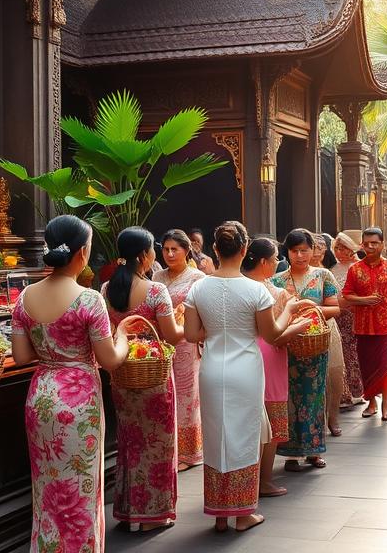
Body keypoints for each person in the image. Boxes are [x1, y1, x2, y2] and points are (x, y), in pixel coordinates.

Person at [11, 215, 133, 553]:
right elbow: (109, 359)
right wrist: (121, 336)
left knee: (47, 487)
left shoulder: (24, 297)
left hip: (41, 395)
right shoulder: (88, 299)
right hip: (79, 399)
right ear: (81, 252)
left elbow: (20, 356)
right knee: (80, 488)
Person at [184, 222, 310, 531]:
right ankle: (243, 513)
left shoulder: (199, 287)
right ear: (244, 250)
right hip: (246, 370)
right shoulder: (255, 290)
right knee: (244, 437)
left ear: (215, 250)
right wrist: (290, 312)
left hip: (212, 367)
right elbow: (272, 333)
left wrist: (216, 332)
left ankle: (220, 514)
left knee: (216, 437)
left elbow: (189, 333)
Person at [103, 227, 182, 532]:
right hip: (153, 372)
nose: (154, 256)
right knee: (158, 443)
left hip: (122, 371)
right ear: (142, 255)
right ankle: (151, 515)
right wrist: (183, 317)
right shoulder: (154, 291)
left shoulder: (107, 289)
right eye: (152, 250)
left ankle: (128, 510)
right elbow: (172, 335)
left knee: (130, 442)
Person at [241, 237, 313, 499]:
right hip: (268, 356)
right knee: (271, 420)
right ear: (263, 262)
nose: (276, 264)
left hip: (240, 356)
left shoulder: (231, 286)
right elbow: (276, 335)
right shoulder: (272, 293)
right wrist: (299, 325)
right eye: (274, 260)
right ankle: (264, 480)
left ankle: (245, 482)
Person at [270, 228, 341, 470]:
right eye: (294, 251)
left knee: (314, 396)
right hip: (287, 344)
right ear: (286, 252)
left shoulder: (323, 276)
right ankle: (290, 453)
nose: (300, 255)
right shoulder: (276, 280)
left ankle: (314, 451)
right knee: (288, 398)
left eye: (304, 250)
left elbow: (336, 308)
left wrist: (311, 311)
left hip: (314, 343)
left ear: (312, 250)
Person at [153, 229, 207, 471]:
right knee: (164, 395)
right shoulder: (156, 277)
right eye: (166, 249)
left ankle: (188, 453)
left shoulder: (198, 278)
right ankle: (168, 449)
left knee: (187, 397)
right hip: (161, 343)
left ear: (187, 251)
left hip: (186, 343)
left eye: (175, 249)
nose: (170, 253)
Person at [342, 227, 387, 421]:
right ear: (362, 244)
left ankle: (386, 404)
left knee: (386, 364)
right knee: (366, 365)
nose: (370, 247)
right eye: (367, 243)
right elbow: (347, 294)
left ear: (382, 244)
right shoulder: (355, 269)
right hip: (362, 325)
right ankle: (371, 402)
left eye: (374, 243)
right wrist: (364, 300)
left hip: (386, 324)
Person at [311, 233, 344, 436]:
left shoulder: (326, 273)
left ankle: (333, 417)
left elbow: (336, 305)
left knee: (334, 374)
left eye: (321, 245)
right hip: (300, 331)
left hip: (326, 327)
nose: (318, 249)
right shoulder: (284, 276)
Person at [331, 231, 364, 406]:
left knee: (354, 352)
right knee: (341, 352)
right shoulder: (333, 269)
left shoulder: (360, 267)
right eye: (337, 248)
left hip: (354, 314)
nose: (340, 252)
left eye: (343, 248)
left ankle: (357, 389)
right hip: (336, 315)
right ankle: (343, 392)